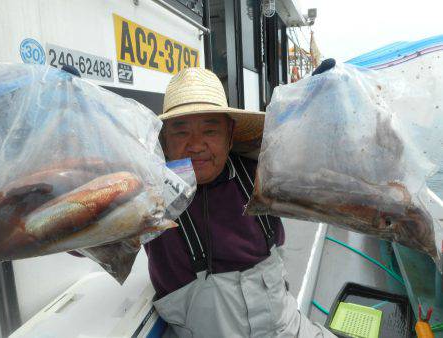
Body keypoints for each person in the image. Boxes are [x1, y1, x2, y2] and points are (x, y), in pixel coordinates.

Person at [144, 67, 336, 337]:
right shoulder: (148, 196)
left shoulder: (260, 173)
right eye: (181, 132)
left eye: (210, 131)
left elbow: (331, 180)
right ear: (164, 140)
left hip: (288, 328)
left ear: (230, 135)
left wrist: (323, 98)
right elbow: (84, 242)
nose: (196, 145)